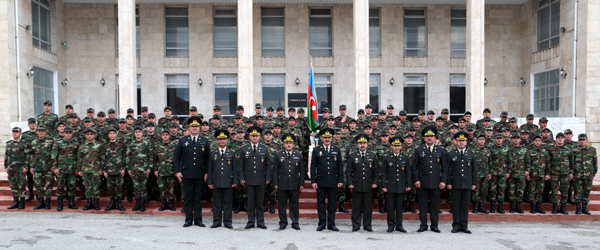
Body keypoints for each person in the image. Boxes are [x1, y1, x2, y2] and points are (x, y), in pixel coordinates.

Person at [175, 117, 210, 227]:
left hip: (200, 174)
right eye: (192, 126)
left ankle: (198, 220)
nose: (194, 128)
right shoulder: (182, 140)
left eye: (196, 126)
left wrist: (207, 172)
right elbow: (176, 157)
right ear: (189, 128)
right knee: (188, 197)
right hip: (186, 174)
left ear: (199, 128)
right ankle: (188, 219)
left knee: (198, 198)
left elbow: (208, 158)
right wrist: (177, 171)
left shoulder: (204, 141)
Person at [411, 126, 447, 233]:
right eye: (427, 136)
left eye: (431, 136)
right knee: (422, 205)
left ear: (435, 138)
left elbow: (444, 167)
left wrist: (443, 181)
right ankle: (423, 225)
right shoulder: (418, 150)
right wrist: (416, 180)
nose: (429, 138)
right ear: (424, 138)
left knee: (435, 205)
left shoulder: (440, 150)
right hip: (422, 183)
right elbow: (414, 167)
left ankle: (434, 225)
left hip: (436, 183)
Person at [311, 128, 344, 232]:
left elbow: (340, 167)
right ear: (321, 138)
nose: (327, 139)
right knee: (320, 203)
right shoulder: (317, 150)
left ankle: (331, 224)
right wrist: (313, 181)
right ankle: (321, 223)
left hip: (333, 181)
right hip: (320, 181)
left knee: (332, 203)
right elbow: (313, 167)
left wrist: (340, 180)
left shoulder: (336, 149)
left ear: (332, 138)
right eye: (325, 137)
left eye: (329, 137)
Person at [239, 126, 272, 229]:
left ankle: (261, 222)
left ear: (259, 137)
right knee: (250, 201)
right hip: (248, 179)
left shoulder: (265, 148)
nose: (254, 138)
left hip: (261, 179)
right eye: (253, 136)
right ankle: (250, 221)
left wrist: (267, 178)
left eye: (256, 136)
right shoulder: (243, 149)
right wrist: (241, 178)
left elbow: (268, 165)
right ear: (249, 136)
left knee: (260, 201)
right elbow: (240, 165)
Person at [346, 134, 379, 232]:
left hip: (368, 185)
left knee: (368, 207)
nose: (362, 145)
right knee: (356, 206)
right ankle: (356, 225)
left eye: (364, 143)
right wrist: (350, 183)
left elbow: (376, 172)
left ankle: (367, 225)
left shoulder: (373, 155)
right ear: (357, 144)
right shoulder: (352, 156)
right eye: (360, 143)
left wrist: (375, 182)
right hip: (357, 184)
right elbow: (348, 172)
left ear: (367, 144)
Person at [446, 132, 477, 234]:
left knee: (465, 205)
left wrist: (474, 183)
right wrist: (448, 182)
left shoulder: (471, 154)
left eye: (463, 141)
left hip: (467, 183)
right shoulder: (451, 154)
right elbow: (447, 170)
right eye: (459, 141)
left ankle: (464, 225)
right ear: (456, 142)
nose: (461, 143)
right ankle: (455, 225)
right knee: (456, 205)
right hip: (455, 183)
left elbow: (474, 171)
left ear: (466, 142)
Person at [273, 133, 305, 230]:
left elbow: (302, 171)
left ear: (293, 144)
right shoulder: (278, 155)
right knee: (282, 204)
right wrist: (275, 183)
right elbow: (275, 170)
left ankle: (295, 222)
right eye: (287, 143)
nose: (289, 144)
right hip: (282, 184)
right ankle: (283, 222)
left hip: (294, 184)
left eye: (290, 143)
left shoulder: (298, 154)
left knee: (294, 204)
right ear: (283, 145)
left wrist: (301, 183)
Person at [207, 130, 239, 229]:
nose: (222, 141)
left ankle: (227, 221)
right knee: (216, 203)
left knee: (227, 203)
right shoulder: (213, 153)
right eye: (220, 139)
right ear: (217, 141)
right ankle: (216, 221)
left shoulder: (232, 153)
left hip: (228, 182)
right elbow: (210, 169)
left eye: (224, 139)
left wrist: (235, 181)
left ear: (227, 141)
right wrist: (209, 182)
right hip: (216, 182)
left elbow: (235, 168)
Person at [381, 136, 411, 233]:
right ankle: (390, 225)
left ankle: (399, 225)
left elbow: (408, 173)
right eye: (395, 145)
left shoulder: (405, 158)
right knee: (390, 208)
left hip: (401, 186)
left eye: (398, 145)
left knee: (399, 207)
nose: (397, 147)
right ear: (391, 146)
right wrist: (384, 186)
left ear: (401, 146)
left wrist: (408, 184)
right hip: (390, 186)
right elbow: (384, 173)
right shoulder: (387, 158)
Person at [51, 126, 80, 211]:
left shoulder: (76, 143)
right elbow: (54, 155)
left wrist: (78, 168)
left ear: (72, 134)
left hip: (72, 169)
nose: (68, 134)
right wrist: (55, 168)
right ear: (63, 133)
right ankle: (60, 204)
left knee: (72, 187)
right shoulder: (58, 142)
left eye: (69, 133)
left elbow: (78, 157)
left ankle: (71, 203)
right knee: (60, 187)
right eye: (66, 133)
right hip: (61, 169)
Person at [127, 126, 154, 212]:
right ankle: (137, 204)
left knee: (143, 187)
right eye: (136, 132)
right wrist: (129, 169)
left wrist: (149, 168)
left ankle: (142, 204)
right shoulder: (131, 144)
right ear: (134, 134)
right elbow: (128, 157)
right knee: (136, 187)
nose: (138, 133)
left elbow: (151, 157)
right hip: (134, 169)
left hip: (144, 169)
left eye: (139, 132)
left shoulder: (147, 143)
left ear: (142, 133)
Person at [101, 127, 127, 211]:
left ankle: (119, 204)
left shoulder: (121, 144)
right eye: (110, 134)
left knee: (119, 188)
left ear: (116, 134)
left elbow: (125, 157)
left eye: (113, 133)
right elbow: (102, 159)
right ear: (108, 135)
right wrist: (104, 171)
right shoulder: (105, 145)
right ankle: (112, 203)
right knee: (110, 188)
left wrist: (124, 169)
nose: (112, 135)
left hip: (119, 170)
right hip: (109, 171)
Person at [77, 128, 104, 211]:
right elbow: (79, 159)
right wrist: (79, 170)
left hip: (96, 170)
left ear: (94, 135)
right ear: (85, 135)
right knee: (87, 187)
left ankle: (96, 204)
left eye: (91, 134)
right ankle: (89, 204)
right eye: (88, 134)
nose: (89, 136)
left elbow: (102, 157)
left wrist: (101, 169)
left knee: (96, 187)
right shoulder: (82, 146)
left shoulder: (99, 145)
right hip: (85, 170)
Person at [548, 132, 574, 215]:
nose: (560, 139)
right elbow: (548, 162)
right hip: (554, 173)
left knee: (564, 191)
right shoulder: (551, 149)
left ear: (564, 139)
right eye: (558, 137)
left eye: (561, 138)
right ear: (556, 139)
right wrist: (548, 173)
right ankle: (555, 207)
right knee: (554, 191)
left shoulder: (568, 149)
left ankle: (563, 207)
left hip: (565, 173)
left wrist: (571, 172)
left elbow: (572, 162)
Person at [30, 125, 55, 210]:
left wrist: (53, 166)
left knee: (49, 186)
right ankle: (41, 202)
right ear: (36, 132)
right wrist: (31, 167)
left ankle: (47, 203)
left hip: (48, 168)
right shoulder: (33, 142)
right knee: (38, 186)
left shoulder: (51, 141)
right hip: (37, 168)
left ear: (45, 132)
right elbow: (31, 156)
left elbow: (54, 154)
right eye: (39, 131)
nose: (41, 132)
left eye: (42, 131)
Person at [4, 127, 29, 209]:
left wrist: (26, 167)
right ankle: (15, 202)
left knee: (21, 186)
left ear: (20, 133)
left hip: (20, 169)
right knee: (13, 186)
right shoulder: (9, 144)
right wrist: (6, 166)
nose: (15, 133)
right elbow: (6, 156)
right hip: (11, 169)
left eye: (17, 132)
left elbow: (27, 157)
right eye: (14, 132)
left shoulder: (24, 144)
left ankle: (22, 202)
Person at [572, 134, 597, 215]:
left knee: (586, 191)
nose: (582, 141)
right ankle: (578, 208)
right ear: (578, 141)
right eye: (580, 140)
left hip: (588, 175)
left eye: (583, 140)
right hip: (578, 176)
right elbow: (572, 163)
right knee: (577, 192)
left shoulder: (592, 150)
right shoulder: (574, 150)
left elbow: (595, 163)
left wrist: (593, 174)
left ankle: (585, 208)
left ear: (587, 140)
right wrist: (572, 173)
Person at [155, 129, 178, 211]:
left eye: (166, 135)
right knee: (162, 188)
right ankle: (164, 204)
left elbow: (177, 159)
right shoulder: (157, 146)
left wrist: (176, 170)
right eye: (163, 135)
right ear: (161, 136)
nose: (165, 136)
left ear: (169, 135)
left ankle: (171, 204)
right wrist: (155, 170)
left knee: (171, 188)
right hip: (161, 172)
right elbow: (154, 159)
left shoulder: (174, 146)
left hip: (171, 171)